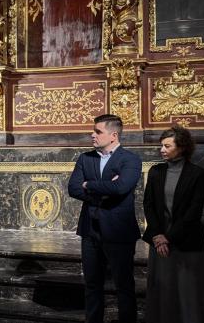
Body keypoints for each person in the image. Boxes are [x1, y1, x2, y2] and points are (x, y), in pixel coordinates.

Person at [68, 114, 141, 323]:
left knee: (123, 285)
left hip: (118, 231)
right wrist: (105, 188)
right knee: (92, 284)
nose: (92, 135)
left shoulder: (130, 159)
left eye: (98, 131)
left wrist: (89, 185)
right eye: (93, 131)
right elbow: (73, 188)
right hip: (90, 229)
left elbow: (121, 187)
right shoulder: (85, 158)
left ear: (113, 135)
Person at [143, 125, 204, 323]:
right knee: (163, 294)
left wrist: (168, 237)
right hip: (160, 243)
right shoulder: (156, 171)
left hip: (186, 242)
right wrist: (157, 236)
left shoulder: (198, 173)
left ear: (181, 147)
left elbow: (193, 212)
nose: (162, 150)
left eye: (167, 146)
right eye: (161, 146)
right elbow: (148, 205)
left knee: (189, 296)